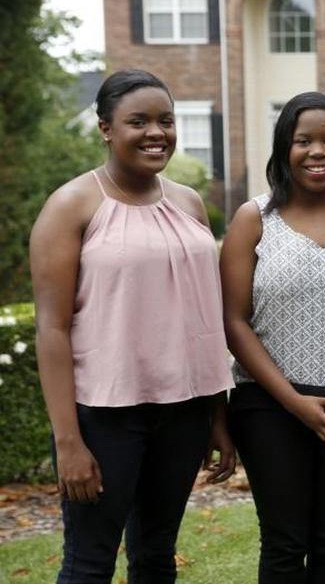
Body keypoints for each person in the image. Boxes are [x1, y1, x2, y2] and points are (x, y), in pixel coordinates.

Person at [29, 69, 235, 584]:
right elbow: (51, 330)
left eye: (166, 120)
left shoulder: (188, 203)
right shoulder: (71, 206)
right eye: (137, 121)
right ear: (105, 128)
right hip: (104, 419)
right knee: (88, 561)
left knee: (156, 555)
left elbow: (203, 317)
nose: (156, 133)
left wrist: (215, 415)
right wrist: (68, 442)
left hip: (182, 416)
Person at [220, 91, 325, 584]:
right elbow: (234, 321)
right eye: (304, 141)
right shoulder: (254, 219)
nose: (318, 151)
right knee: (284, 541)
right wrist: (296, 403)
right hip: (270, 405)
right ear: (284, 149)